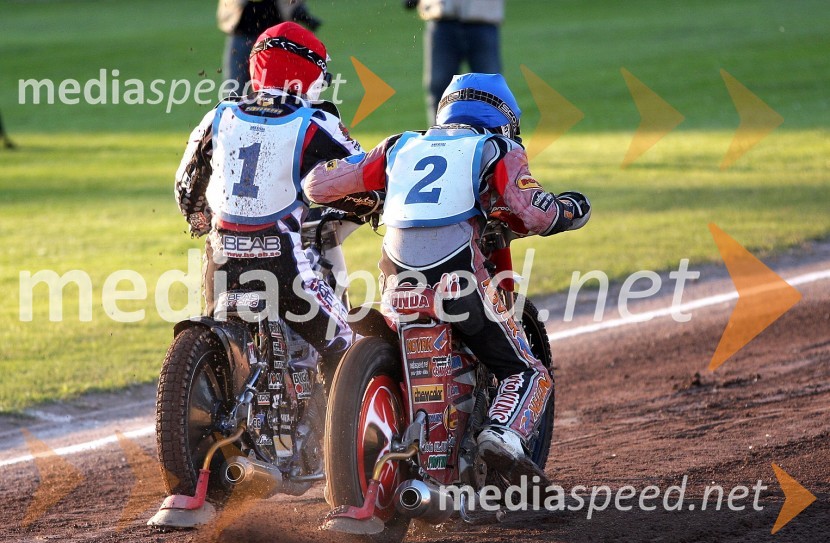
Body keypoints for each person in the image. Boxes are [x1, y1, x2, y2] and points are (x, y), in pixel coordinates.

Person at [303, 73, 591, 482]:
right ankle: (503, 435)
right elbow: (532, 213)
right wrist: (568, 209)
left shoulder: (400, 145)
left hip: (395, 286)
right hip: (459, 282)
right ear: (504, 118)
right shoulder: (495, 147)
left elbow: (317, 184)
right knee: (528, 371)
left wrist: (373, 196)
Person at [174, 22, 361, 356]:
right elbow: (366, 176)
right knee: (349, 350)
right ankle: (334, 403)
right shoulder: (315, 120)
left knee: (222, 347)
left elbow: (186, 189)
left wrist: (202, 221)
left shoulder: (221, 114)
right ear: (309, 73)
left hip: (221, 259)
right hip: (284, 263)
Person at [404, 0, 504, 124]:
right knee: (440, 85)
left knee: (490, 88)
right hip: (440, 17)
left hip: (483, 17)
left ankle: (495, 139)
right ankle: (439, 138)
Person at [218, 0, 322, 95]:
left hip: (275, 39)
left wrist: (299, 11)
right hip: (242, 32)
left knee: (276, 90)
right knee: (234, 88)